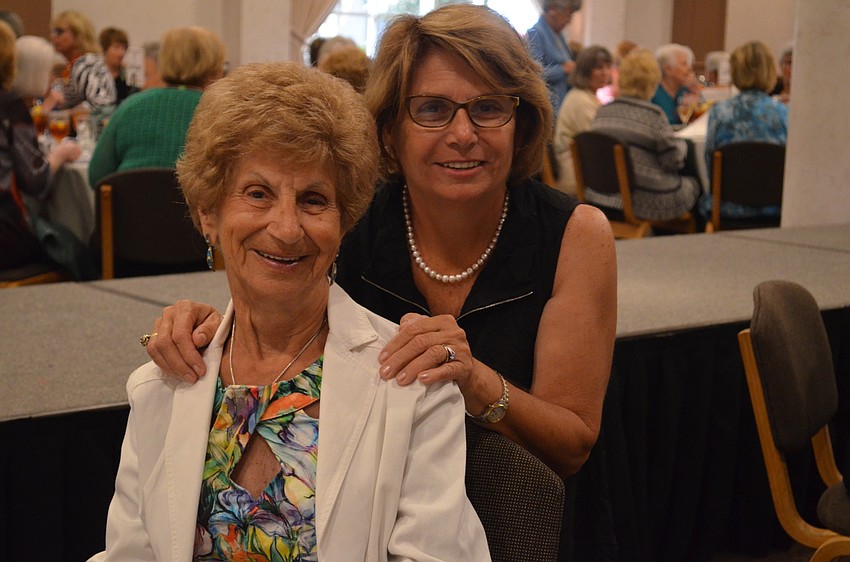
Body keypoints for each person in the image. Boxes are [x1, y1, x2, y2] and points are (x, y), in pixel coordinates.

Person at [145, 5, 617, 560]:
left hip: (539, 529)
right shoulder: (352, 219)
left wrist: (473, 381)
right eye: (433, 109)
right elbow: (282, 297)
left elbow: (574, 444)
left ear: (523, 122)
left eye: (489, 108)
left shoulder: (573, 234)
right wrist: (208, 324)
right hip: (369, 506)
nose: (463, 133)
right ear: (390, 130)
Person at [89, 60, 490, 561]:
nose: (286, 227)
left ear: (344, 222)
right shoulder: (164, 384)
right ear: (207, 214)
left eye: (314, 200)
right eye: (257, 194)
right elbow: (131, 552)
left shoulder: (410, 384)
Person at [88, 26, 225, 187]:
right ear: (215, 66)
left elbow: (97, 176)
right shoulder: (219, 112)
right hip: (189, 211)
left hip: (131, 210)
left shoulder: (129, 107)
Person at [588, 48, 701, 221]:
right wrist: (683, 146)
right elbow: (674, 160)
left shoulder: (602, 111)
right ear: (653, 80)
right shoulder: (653, 115)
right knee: (693, 183)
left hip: (602, 196)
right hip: (644, 199)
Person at [1, 25, 80, 269]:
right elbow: (36, 181)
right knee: (76, 249)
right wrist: (59, 155)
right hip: (6, 235)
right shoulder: (10, 109)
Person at [700, 41, 788, 222]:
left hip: (727, 207)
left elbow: (710, 163)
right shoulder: (784, 114)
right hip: (774, 209)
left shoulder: (720, 112)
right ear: (770, 71)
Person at [553, 45, 613, 195]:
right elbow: (597, 142)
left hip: (583, 167)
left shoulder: (588, 96)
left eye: (607, 67)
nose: (605, 72)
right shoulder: (580, 99)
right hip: (575, 174)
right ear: (586, 71)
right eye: (599, 68)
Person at [49, 10, 116, 111]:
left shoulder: (87, 63)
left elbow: (101, 102)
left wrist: (66, 115)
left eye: (59, 32)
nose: (53, 36)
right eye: (52, 31)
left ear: (78, 35)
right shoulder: (75, 64)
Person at [527, 0, 583, 116]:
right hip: (547, 106)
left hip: (561, 104)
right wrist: (563, 69)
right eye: (568, 14)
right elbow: (533, 74)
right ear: (553, 9)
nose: (569, 20)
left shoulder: (559, 35)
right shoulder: (536, 33)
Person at [650, 43, 701, 125]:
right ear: (668, 69)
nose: (689, 68)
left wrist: (696, 94)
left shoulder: (687, 90)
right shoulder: (652, 93)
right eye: (684, 64)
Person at [98, 26, 137, 104]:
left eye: (124, 48)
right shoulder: (96, 75)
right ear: (105, 49)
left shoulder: (127, 76)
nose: (121, 53)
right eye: (117, 47)